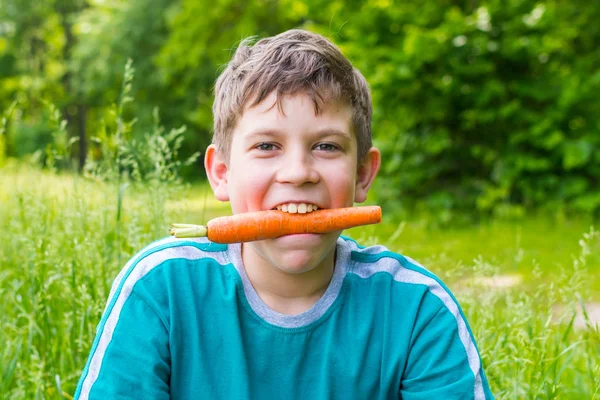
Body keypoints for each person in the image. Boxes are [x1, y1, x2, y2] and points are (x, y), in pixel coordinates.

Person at [74, 29, 494, 399]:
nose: (298, 173)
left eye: (326, 146)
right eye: (266, 146)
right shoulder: (161, 289)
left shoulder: (417, 308)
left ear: (363, 174)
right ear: (221, 173)